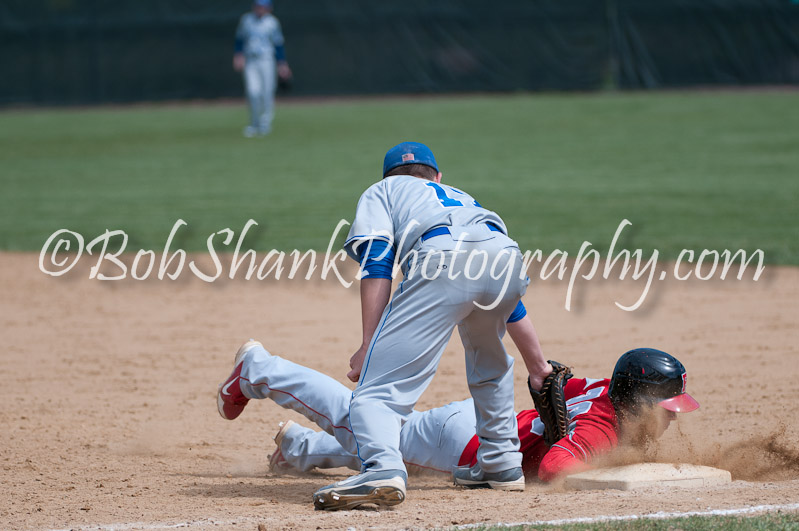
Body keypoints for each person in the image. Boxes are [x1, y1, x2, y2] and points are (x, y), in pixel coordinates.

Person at [301, 141, 556, 509]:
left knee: (377, 391)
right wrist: (538, 366)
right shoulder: (462, 197)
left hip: (441, 258)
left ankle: (382, 468)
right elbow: (509, 301)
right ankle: (501, 465)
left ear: (389, 176)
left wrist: (368, 344)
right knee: (489, 362)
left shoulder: (383, 190)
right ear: (437, 177)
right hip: (506, 256)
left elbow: (377, 261)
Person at [217, 342, 699, 495]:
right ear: (635, 402)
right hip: (463, 444)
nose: (671, 420)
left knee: (391, 447)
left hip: (477, 428)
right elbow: (555, 468)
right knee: (358, 419)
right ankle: (262, 370)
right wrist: (607, 461)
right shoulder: (601, 428)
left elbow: (547, 385)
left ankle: (299, 449)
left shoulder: (600, 392)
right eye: (665, 409)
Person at [233, 0, 292, 137]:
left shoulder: (272, 22)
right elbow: (239, 39)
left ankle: (265, 123)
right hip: (251, 60)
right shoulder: (246, 20)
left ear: (268, 8)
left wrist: (282, 64)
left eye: (263, 6)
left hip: (266, 60)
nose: (260, 9)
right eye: (258, 6)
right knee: (253, 91)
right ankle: (254, 123)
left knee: (267, 92)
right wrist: (238, 55)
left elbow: (278, 44)